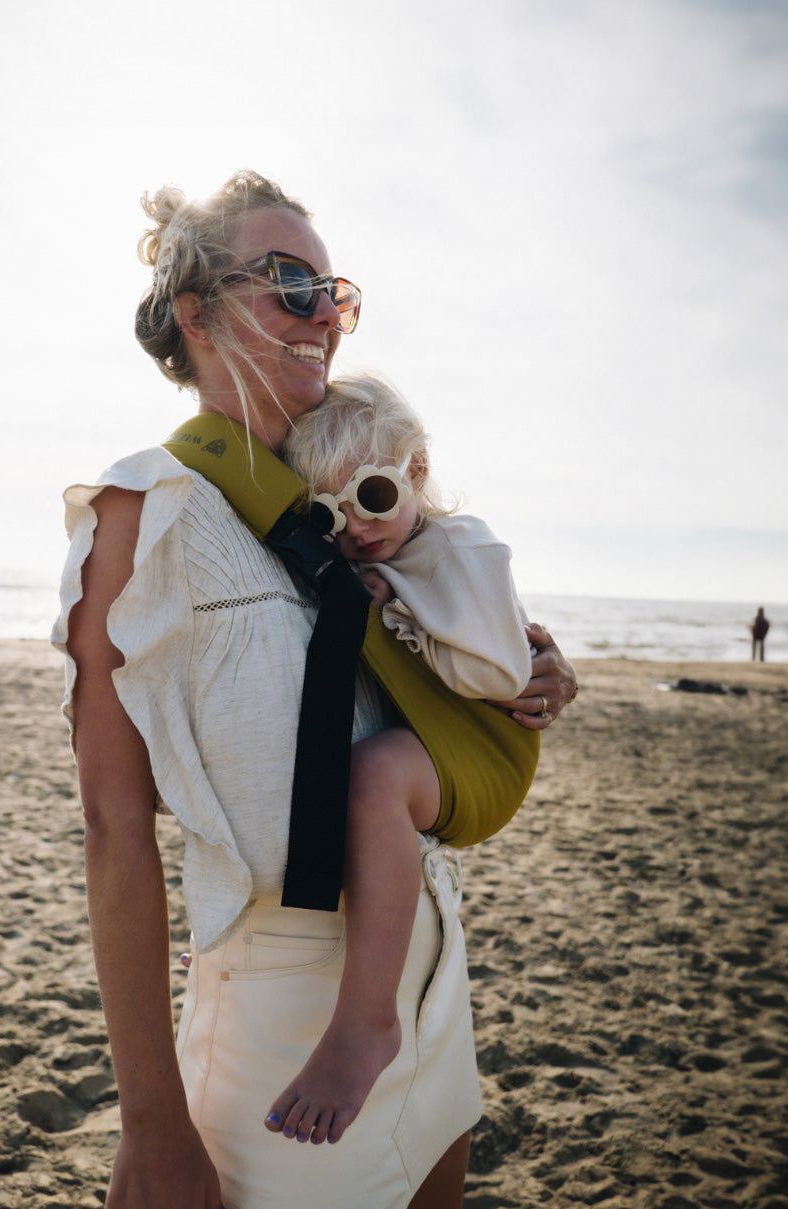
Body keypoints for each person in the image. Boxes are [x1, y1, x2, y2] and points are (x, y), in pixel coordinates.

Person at [51, 171, 576, 1209]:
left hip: (425, 977)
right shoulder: (146, 512)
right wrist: (152, 1121)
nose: (323, 317)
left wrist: (543, 665)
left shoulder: (338, 496)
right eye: (290, 283)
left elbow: (445, 623)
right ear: (196, 316)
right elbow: (114, 826)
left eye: (333, 292)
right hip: (284, 1025)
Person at [261, 374, 533, 1147]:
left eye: (372, 495)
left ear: (415, 472)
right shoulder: (390, 550)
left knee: (375, 773)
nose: (354, 526)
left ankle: (366, 1021)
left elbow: (499, 675)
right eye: (329, 514)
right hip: (441, 729)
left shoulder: (460, 545)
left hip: (485, 741)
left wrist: (399, 611)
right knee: (332, 757)